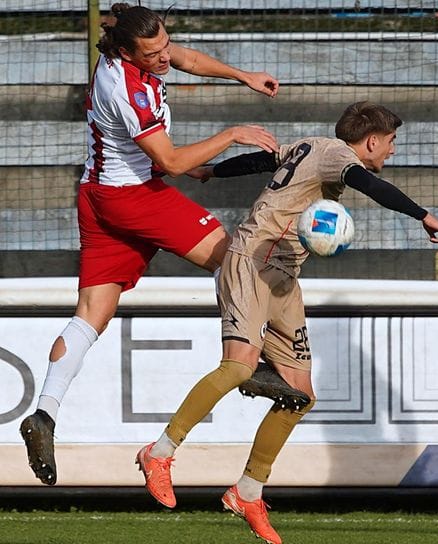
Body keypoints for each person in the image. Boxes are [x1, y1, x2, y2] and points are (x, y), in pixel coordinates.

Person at [16, 3, 311, 487]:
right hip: (134, 197)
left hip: (98, 196)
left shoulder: (132, 56)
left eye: (164, 45)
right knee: (234, 258)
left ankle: (44, 414)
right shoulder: (125, 87)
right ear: (128, 52)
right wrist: (233, 133)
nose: (163, 57)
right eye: (152, 53)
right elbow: (172, 162)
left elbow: (185, 59)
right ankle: (251, 364)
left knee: (92, 312)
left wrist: (242, 75)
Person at [136, 101, 438, 544]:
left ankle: (247, 491)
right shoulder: (342, 156)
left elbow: (264, 159)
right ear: (372, 140)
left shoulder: (308, 145)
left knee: (300, 396)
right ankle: (159, 452)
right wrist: (422, 215)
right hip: (250, 261)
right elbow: (369, 184)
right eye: (391, 142)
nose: (392, 151)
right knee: (238, 366)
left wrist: (214, 173)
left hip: (283, 277)